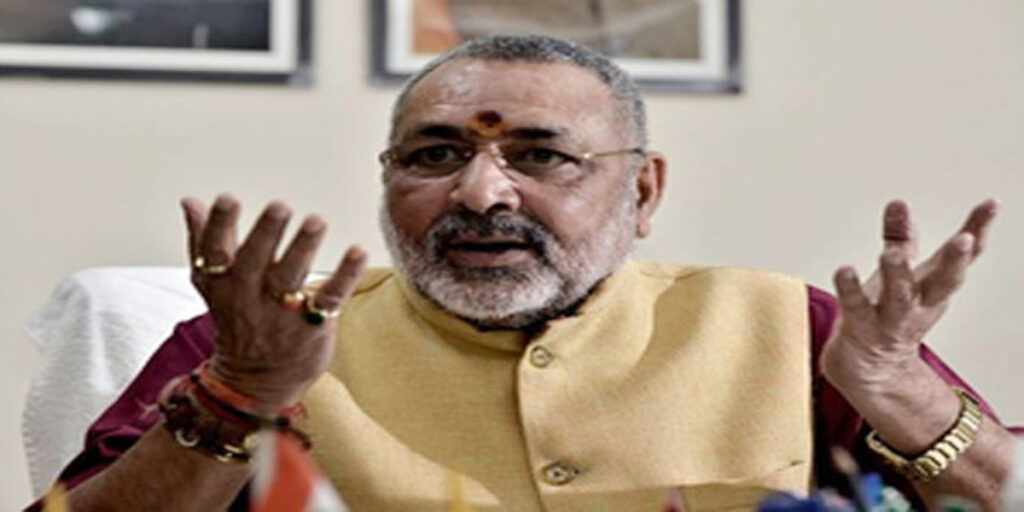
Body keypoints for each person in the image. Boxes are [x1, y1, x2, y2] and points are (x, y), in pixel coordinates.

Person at [28, 35, 1019, 511]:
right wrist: (237, 395)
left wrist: (900, 395)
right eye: (433, 156)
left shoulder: (788, 327)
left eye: (541, 154)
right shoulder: (262, 342)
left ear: (643, 191)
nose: (480, 193)